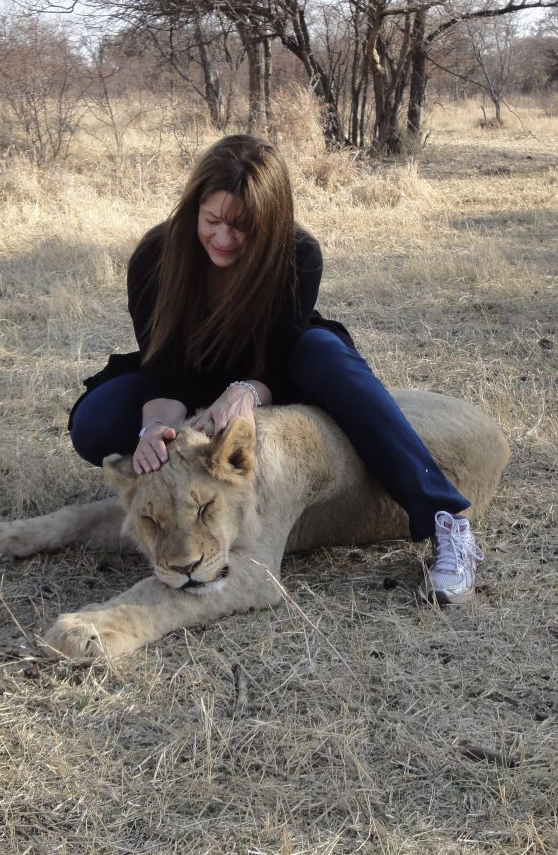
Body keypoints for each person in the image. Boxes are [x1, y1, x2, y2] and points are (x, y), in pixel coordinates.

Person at [67, 134, 485, 604]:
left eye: (242, 227)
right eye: (212, 221)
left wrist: (248, 389)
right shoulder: (154, 257)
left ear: (270, 223)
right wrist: (154, 429)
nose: (223, 239)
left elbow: (284, 348)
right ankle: (170, 505)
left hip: (277, 369)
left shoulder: (298, 253)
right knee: (94, 422)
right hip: (187, 373)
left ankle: (447, 521)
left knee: (324, 354)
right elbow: (163, 364)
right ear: (194, 208)